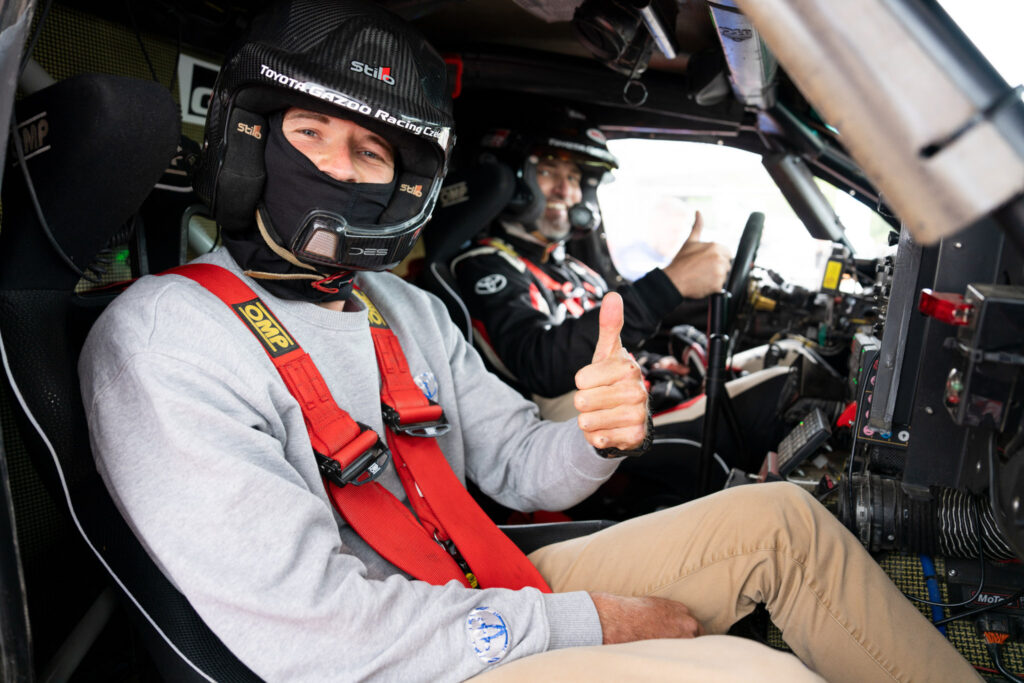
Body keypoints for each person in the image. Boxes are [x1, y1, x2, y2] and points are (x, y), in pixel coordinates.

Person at [78, 1, 979, 681]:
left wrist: (594, 434)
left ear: (403, 182)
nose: (336, 169)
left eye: (370, 152)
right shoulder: (166, 337)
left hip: (467, 583)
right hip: (388, 653)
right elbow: (321, 636)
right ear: (249, 141)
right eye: (309, 133)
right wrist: (587, 622)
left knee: (780, 520)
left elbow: (516, 465)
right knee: (756, 672)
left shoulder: (401, 307)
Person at [450, 110, 792, 488]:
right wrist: (670, 284)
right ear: (513, 180)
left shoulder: (575, 267)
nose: (565, 191)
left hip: (638, 398)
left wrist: (670, 346)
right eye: (548, 171)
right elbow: (539, 364)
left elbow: (622, 337)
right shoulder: (483, 266)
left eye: (573, 177)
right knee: (781, 391)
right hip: (584, 431)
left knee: (792, 357)